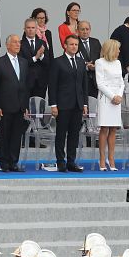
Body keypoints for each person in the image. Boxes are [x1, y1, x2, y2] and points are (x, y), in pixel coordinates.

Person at [49, 35, 88, 173]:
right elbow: (52, 85)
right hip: (63, 104)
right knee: (61, 134)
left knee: (74, 135)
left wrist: (85, 104)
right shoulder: (57, 62)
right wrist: (53, 104)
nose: (74, 47)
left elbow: (84, 85)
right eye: (71, 44)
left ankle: (71, 161)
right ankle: (60, 161)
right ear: (65, 46)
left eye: (76, 45)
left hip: (77, 104)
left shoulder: (81, 62)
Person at [0, 35, 29, 172]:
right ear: (7, 45)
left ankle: (14, 162)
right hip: (5, 106)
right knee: (5, 135)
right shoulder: (0, 62)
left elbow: (25, 86)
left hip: (19, 106)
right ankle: (4, 162)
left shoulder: (24, 62)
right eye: (14, 42)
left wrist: (25, 106)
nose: (18, 44)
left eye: (19, 42)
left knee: (16, 136)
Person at [95, 39, 125, 171]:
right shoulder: (99, 62)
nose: (119, 51)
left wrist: (118, 95)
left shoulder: (118, 63)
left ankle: (111, 158)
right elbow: (100, 83)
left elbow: (121, 82)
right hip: (106, 99)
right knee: (104, 128)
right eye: (117, 49)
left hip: (116, 99)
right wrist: (112, 96)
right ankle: (102, 159)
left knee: (113, 129)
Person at [20, 18, 49, 98]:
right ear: (24, 29)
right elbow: (21, 63)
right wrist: (36, 57)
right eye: (28, 28)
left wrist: (41, 56)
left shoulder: (42, 43)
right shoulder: (20, 44)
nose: (30, 30)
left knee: (40, 107)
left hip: (41, 82)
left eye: (33, 28)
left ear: (36, 29)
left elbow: (48, 62)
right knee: (26, 108)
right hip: (26, 81)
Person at [77, 20, 101, 96]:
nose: (85, 31)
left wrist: (96, 66)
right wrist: (86, 66)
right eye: (82, 29)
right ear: (78, 31)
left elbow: (101, 58)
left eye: (87, 29)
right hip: (80, 80)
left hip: (95, 80)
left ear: (90, 30)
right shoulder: (74, 42)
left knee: (94, 105)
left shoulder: (95, 42)